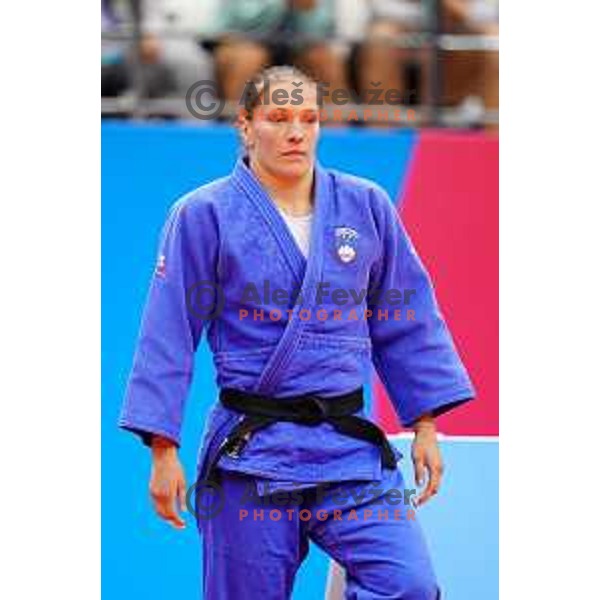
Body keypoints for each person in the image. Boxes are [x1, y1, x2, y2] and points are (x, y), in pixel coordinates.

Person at [119, 65, 475, 599]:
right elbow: (166, 334)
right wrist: (162, 450)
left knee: (410, 586)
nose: (295, 132)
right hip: (253, 451)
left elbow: (407, 315)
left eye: (308, 119)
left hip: (347, 449)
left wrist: (424, 422)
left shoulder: (365, 205)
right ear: (245, 126)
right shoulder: (203, 214)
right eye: (278, 118)